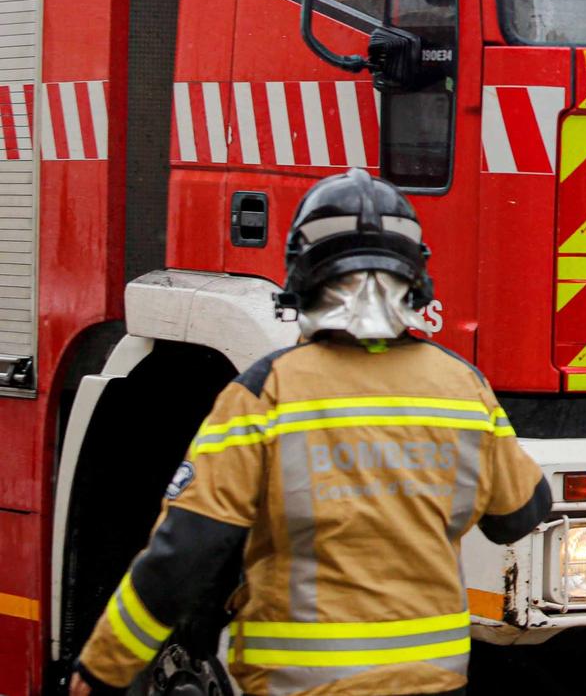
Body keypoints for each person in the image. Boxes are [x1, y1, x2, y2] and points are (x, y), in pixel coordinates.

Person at [71, 169, 552, 696]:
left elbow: (183, 554)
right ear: (415, 277)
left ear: (303, 276)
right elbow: (520, 514)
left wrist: (101, 671)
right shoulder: (463, 388)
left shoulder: (266, 392)